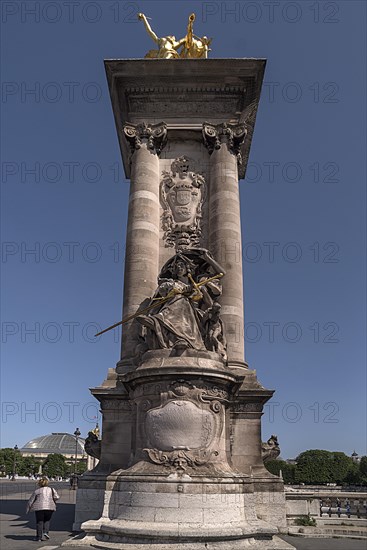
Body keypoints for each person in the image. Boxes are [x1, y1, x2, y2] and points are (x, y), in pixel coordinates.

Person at [26, 477, 60, 542]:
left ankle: (38, 537)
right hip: (50, 507)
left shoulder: (37, 491)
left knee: (39, 522)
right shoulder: (52, 490)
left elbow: (31, 501)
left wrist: (28, 509)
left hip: (39, 508)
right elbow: (57, 497)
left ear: (39, 484)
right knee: (47, 520)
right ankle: (46, 532)